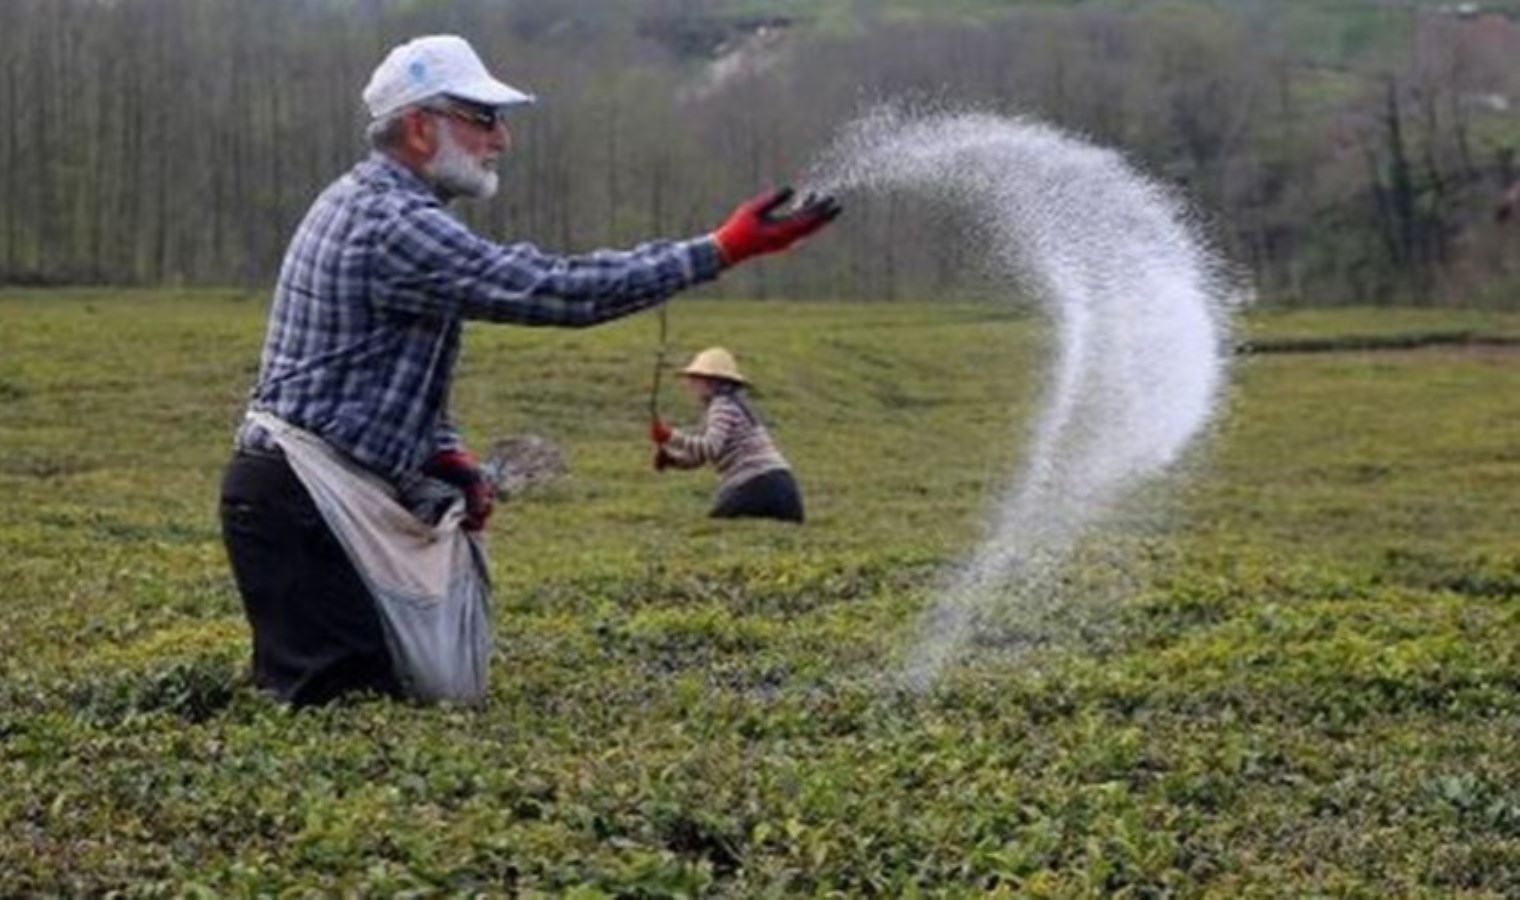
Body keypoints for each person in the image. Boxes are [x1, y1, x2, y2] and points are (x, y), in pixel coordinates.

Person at [219, 34, 840, 706]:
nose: (502, 139)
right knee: (343, 718)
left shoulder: (380, 205)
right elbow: (553, 289)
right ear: (422, 128)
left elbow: (373, 370)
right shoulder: (391, 223)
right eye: (483, 119)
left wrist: (441, 453)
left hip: (304, 498)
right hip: (304, 509)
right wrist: (718, 250)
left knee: (375, 708)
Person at [651, 347, 804, 523]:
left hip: (757, 483)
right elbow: (700, 457)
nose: (691, 384)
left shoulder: (722, 406)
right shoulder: (732, 404)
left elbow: (710, 448)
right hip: (782, 489)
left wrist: (670, 436)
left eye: (696, 378)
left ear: (711, 381)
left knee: (717, 525)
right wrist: (672, 459)